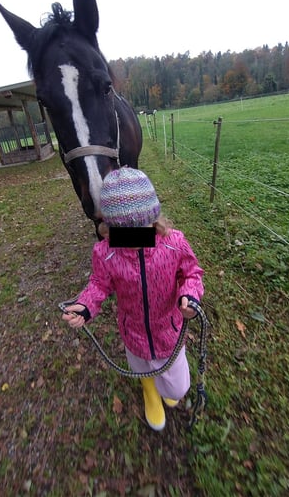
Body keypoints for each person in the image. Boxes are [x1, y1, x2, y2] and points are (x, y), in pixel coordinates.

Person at [61, 167, 205, 431]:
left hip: (169, 330)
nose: (134, 239)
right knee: (141, 368)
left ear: (153, 220)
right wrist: (85, 306)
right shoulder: (106, 253)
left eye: (141, 230)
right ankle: (149, 391)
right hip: (134, 331)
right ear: (110, 227)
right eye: (124, 232)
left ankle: (165, 386)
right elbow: (98, 284)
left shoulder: (174, 243)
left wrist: (190, 295)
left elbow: (191, 273)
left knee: (178, 386)